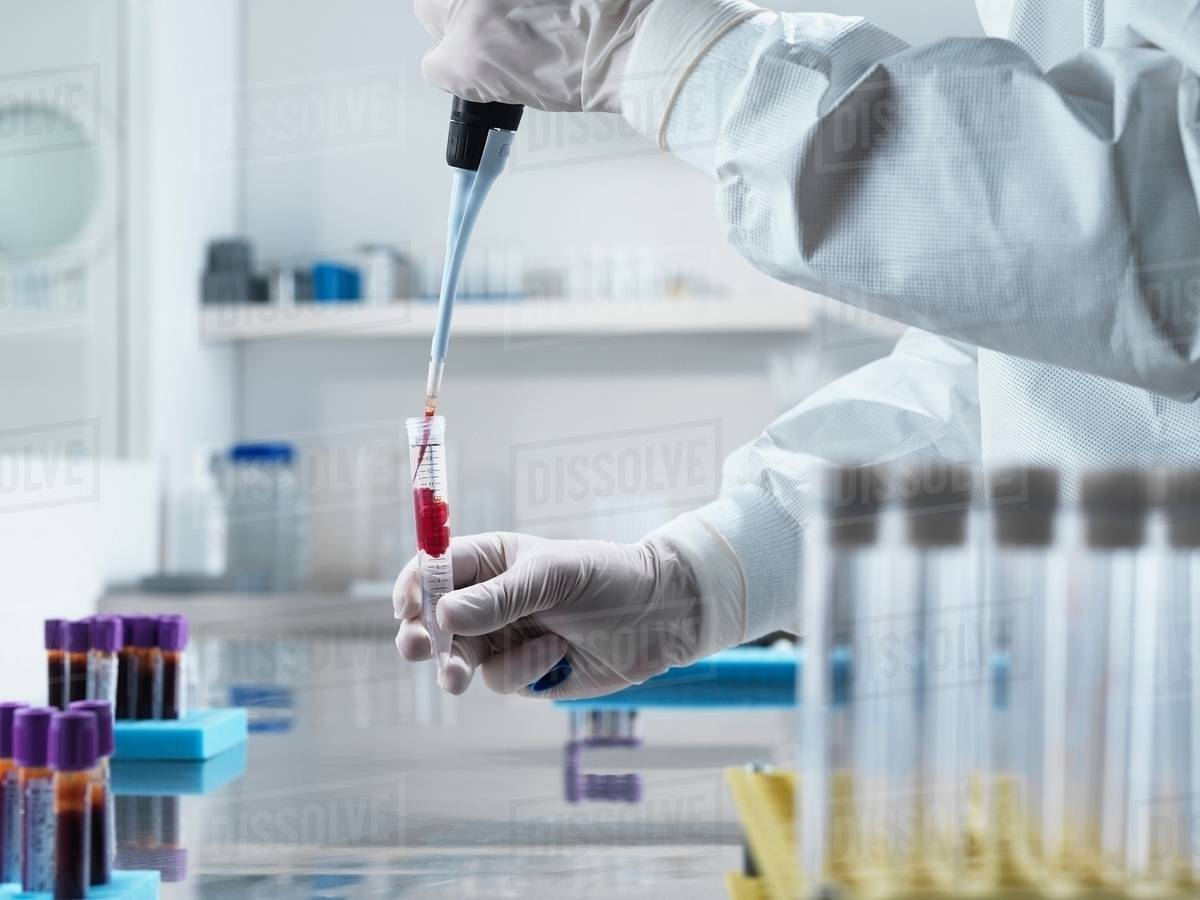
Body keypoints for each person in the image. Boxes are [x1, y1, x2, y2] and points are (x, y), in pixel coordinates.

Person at [394, 0, 1200, 697]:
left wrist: (668, 52)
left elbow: (1169, 237)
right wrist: (699, 577)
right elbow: (1040, 375)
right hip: (1118, 733)